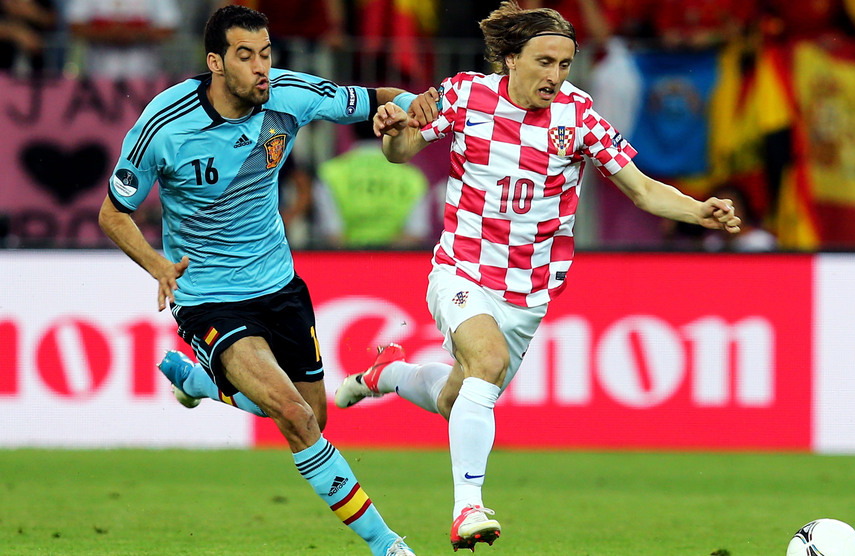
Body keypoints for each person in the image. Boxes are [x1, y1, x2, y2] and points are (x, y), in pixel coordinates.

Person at [333, 1, 741, 551]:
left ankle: (388, 374)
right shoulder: (465, 96)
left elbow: (643, 189)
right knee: (487, 361)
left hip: (527, 294)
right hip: (461, 269)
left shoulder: (580, 116)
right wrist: (391, 131)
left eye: (564, 64)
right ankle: (468, 508)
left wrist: (699, 210)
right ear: (510, 58)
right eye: (544, 62)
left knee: (457, 399)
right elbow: (402, 149)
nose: (555, 75)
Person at [97, 5, 437, 555]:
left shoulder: (289, 94)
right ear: (215, 62)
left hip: (279, 285)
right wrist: (158, 265)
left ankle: (200, 384)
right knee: (295, 416)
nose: (261, 68)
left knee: (313, 419)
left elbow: (382, 96)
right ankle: (388, 545)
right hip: (208, 297)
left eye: (266, 53)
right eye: (245, 56)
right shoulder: (165, 124)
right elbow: (113, 213)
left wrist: (407, 109)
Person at [316, 119, 432, 248]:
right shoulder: (412, 176)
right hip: (395, 259)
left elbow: (333, 235)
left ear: (352, 128)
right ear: (383, 129)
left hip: (347, 259)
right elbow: (415, 233)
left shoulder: (330, 173)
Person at [66, 0, 181, 79]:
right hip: (98, 76)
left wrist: (134, 34)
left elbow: (169, 27)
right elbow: (75, 25)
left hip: (145, 76)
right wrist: (109, 34)